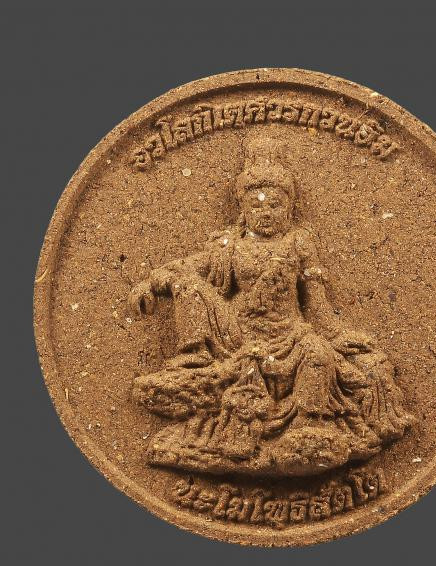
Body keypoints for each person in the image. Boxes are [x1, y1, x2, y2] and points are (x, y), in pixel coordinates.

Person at [128, 137, 414, 476]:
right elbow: (187, 268)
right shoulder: (228, 245)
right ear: (244, 210)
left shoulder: (299, 243)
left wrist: (338, 335)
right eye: (256, 206)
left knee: (317, 354)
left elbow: (316, 304)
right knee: (187, 284)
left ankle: (310, 425)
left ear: (288, 207)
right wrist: (151, 283)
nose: (266, 213)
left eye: (275, 205)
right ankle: (195, 359)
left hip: (290, 332)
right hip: (239, 335)